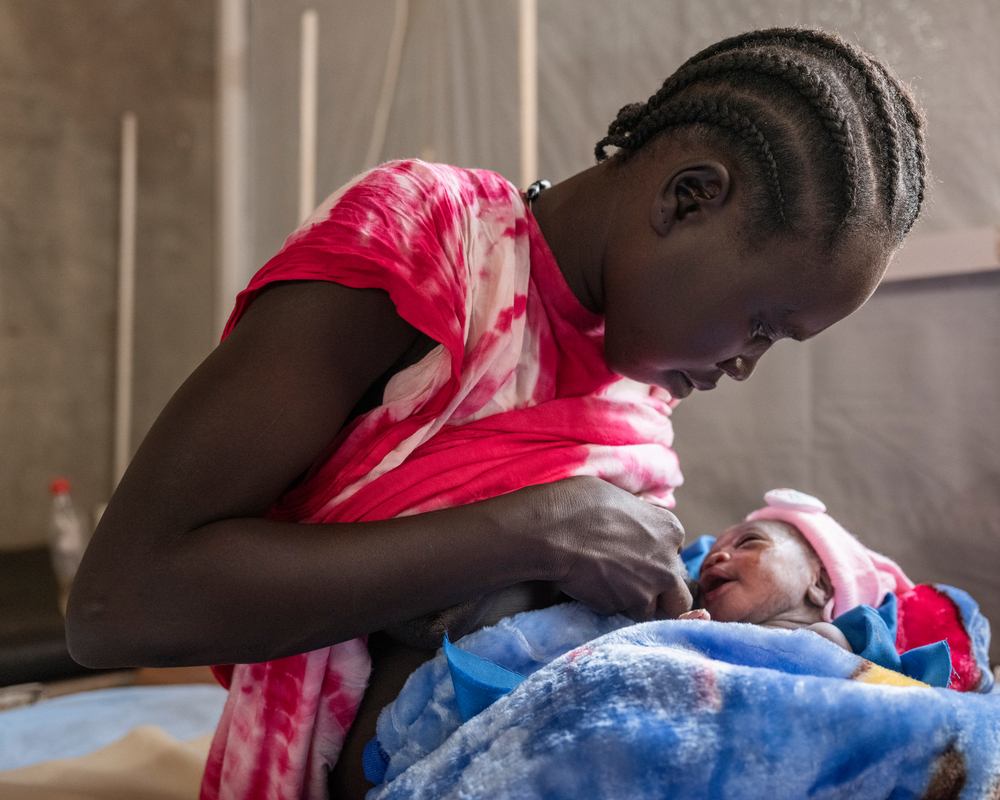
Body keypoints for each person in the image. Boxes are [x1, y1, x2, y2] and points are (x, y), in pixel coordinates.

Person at [64, 27, 928, 800]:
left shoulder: (636, 392)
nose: (746, 364)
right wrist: (539, 528)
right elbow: (117, 605)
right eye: (762, 323)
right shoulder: (430, 247)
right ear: (689, 197)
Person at [680, 487, 916, 653]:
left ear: (819, 584)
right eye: (710, 555)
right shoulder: (702, 628)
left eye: (748, 542)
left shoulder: (826, 641)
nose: (714, 557)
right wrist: (679, 636)